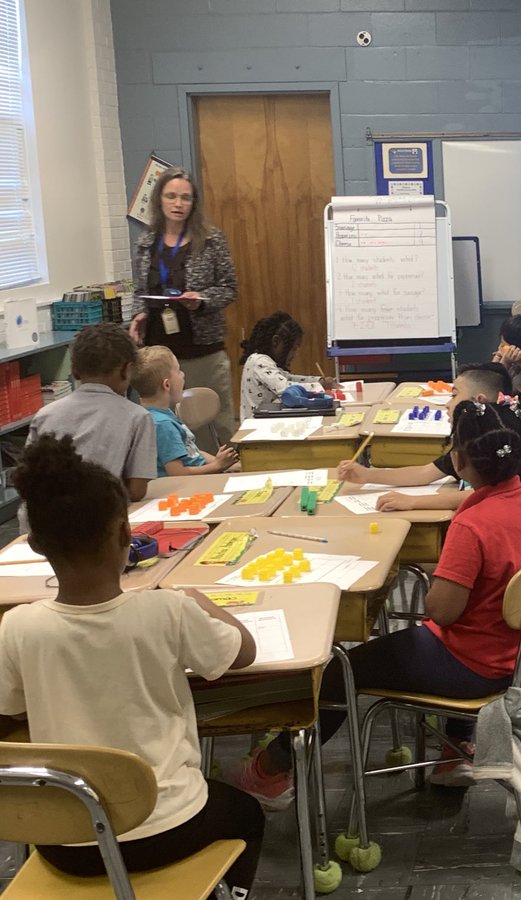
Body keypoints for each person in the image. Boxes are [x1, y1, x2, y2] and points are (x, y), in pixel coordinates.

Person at [236, 401, 521, 801]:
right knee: (423, 637)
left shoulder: (472, 526)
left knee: (340, 672)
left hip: (476, 665)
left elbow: (441, 612)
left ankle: (270, 771)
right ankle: (455, 751)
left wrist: (442, 577)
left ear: (459, 461)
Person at [0, 434, 263, 898]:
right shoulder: (166, 611)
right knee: (247, 814)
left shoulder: (18, 625)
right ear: (126, 535)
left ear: (36, 544)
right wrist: (200, 602)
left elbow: (11, 709)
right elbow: (243, 652)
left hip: (64, 839)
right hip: (168, 826)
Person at [129, 167, 238, 451]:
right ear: (159, 199)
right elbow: (140, 291)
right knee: (167, 425)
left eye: (185, 198)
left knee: (215, 422)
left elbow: (229, 288)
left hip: (202, 350)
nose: (178, 204)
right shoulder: (146, 243)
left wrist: (202, 299)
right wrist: (139, 314)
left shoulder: (211, 240)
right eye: (171, 196)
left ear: (194, 203)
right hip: (158, 353)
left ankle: (225, 469)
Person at [338, 363, 521, 511]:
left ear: (479, 401)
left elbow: (485, 495)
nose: (447, 404)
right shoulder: (470, 437)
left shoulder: (500, 442)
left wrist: (414, 502)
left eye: (454, 395)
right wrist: (366, 475)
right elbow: (425, 473)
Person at [27, 323, 156, 503]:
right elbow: (136, 491)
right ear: (126, 370)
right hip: (99, 514)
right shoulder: (137, 416)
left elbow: (28, 478)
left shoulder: (44, 415)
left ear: (74, 370)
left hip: (41, 515)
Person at [133, 346, 239, 478]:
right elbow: (177, 473)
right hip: (190, 483)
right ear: (166, 385)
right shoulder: (163, 424)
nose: (183, 375)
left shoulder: (160, 415)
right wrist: (217, 466)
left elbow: (193, 452)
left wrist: (224, 464)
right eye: (178, 371)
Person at [238, 311, 336, 417]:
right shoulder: (259, 362)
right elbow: (285, 388)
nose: (294, 355)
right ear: (276, 341)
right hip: (257, 424)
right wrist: (319, 386)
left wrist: (318, 381)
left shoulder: (265, 361)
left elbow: (288, 378)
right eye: (294, 348)